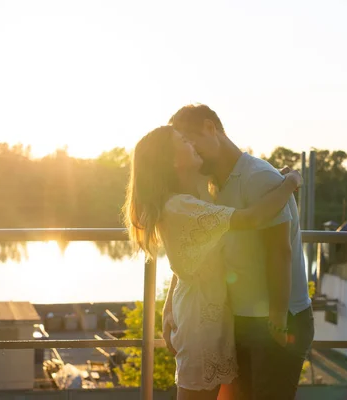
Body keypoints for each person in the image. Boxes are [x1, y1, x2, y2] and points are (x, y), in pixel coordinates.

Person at [123, 125, 302, 400]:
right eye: (184, 139)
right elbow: (253, 218)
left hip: (212, 314)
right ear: (172, 160)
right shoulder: (182, 207)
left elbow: (190, 259)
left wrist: (169, 304)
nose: (192, 143)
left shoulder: (195, 197)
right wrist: (290, 183)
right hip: (200, 321)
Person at [166, 104, 315, 400]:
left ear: (211, 128)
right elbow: (195, 251)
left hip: (276, 318)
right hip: (238, 319)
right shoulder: (209, 185)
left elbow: (280, 251)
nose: (191, 151)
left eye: (191, 140)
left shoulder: (257, 176)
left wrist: (276, 318)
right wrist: (170, 302)